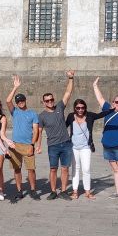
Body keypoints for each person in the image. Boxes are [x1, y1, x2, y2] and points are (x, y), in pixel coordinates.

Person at [37, 71, 76, 199]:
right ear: (43, 102)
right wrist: (38, 146)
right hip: (52, 145)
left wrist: (70, 78)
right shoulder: (41, 116)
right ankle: (53, 191)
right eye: (47, 100)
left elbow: (68, 93)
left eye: (51, 99)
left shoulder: (59, 107)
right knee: (53, 169)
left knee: (65, 168)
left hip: (65, 143)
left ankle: (63, 191)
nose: (50, 102)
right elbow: (39, 131)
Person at [66, 99, 109, 199]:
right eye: (78, 108)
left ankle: (87, 191)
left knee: (86, 169)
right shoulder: (70, 116)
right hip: (74, 147)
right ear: (74, 108)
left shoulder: (90, 116)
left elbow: (101, 115)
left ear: (85, 108)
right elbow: (63, 126)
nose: (80, 110)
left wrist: (113, 109)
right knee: (75, 169)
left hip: (86, 147)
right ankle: (75, 191)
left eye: (82, 108)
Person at [6, 75, 40, 200]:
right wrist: (15, 87)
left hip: (27, 145)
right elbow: (8, 101)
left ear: (25, 100)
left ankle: (33, 190)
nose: (20, 102)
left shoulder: (32, 113)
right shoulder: (14, 111)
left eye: (22, 100)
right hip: (15, 145)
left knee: (31, 169)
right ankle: (19, 190)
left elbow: (36, 130)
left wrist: (32, 145)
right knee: (17, 169)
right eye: (18, 101)